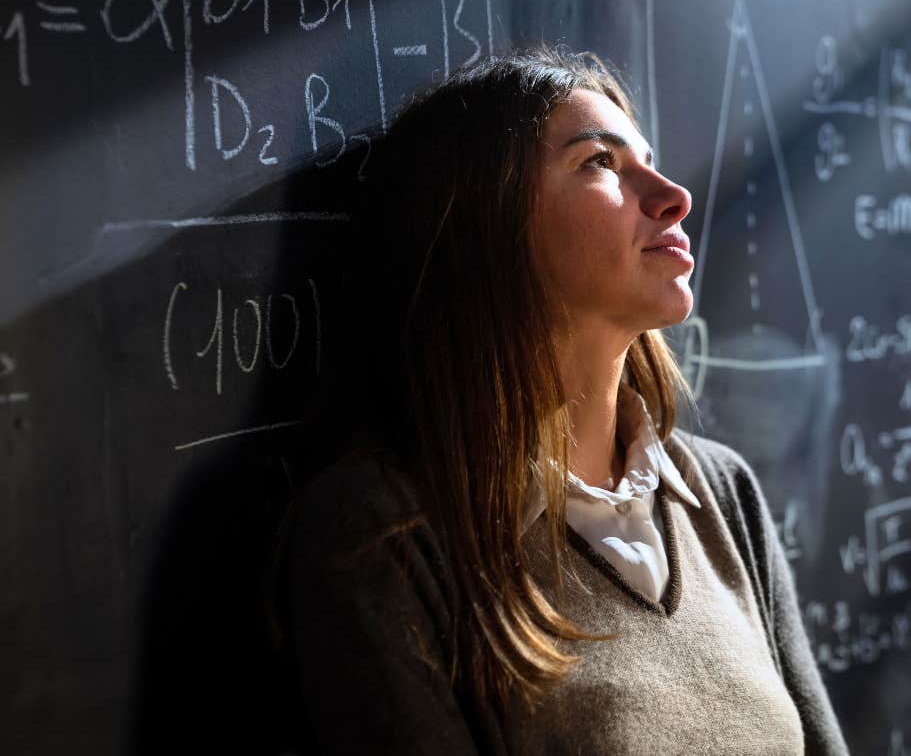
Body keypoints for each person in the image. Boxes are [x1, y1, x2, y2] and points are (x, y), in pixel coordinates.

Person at [273, 48, 849, 755]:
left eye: (645, 157)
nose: (673, 195)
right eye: (599, 163)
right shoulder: (389, 531)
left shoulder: (723, 494)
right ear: (488, 229)